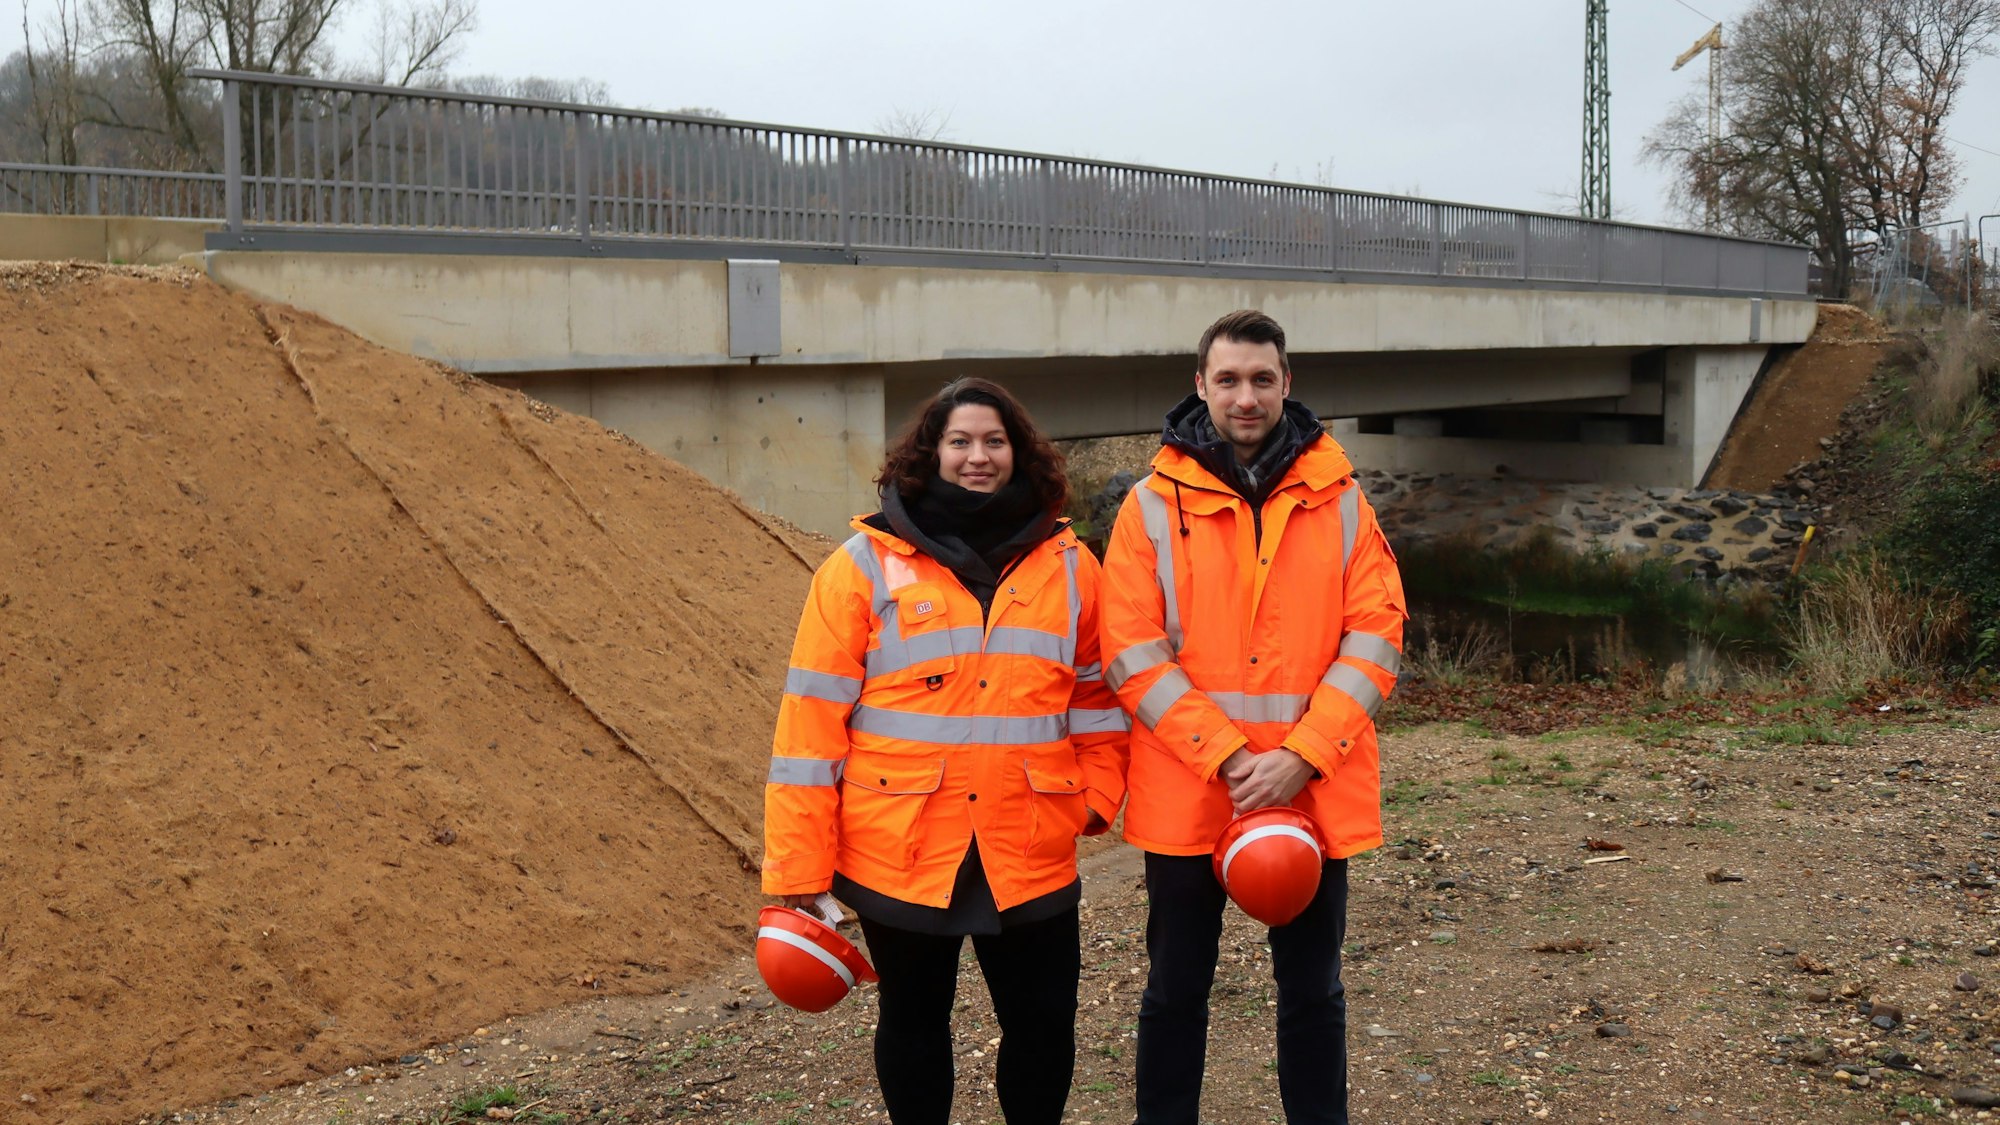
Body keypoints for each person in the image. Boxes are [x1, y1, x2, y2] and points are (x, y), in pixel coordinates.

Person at [762, 376, 1130, 1125]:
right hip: (899, 844)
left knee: (1043, 1026)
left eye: (994, 440)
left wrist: (1095, 797)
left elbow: (1098, 695)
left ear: (1020, 453)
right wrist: (797, 869)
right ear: (928, 455)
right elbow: (809, 730)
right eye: (959, 441)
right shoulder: (860, 567)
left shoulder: (1069, 564)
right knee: (913, 1022)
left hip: (1029, 840)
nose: (978, 456)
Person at [1099, 309, 1405, 1125]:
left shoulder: (1341, 499)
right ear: (1200, 386)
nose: (1245, 396)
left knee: (1313, 991)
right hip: (1192, 792)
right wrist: (1232, 757)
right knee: (1175, 991)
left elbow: (1376, 636)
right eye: (1228, 379)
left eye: (1261, 379)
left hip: (1309, 789)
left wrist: (1300, 755)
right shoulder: (1150, 506)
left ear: (1286, 385)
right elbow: (1128, 649)